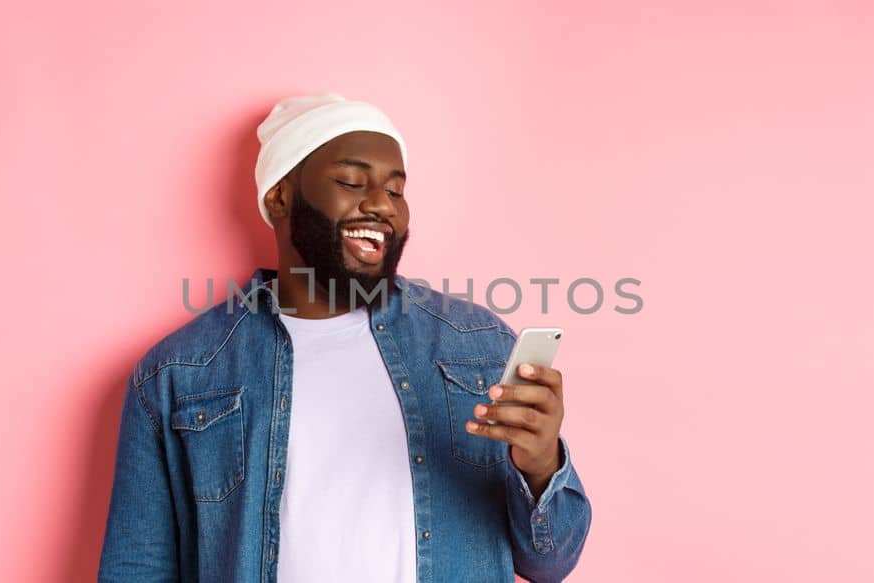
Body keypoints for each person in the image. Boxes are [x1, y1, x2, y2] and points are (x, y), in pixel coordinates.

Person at [98, 92, 591, 582]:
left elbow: (551, 563)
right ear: (280, 196)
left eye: (396, 190)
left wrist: (540, 464)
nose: (381, 204)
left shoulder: (476, 345)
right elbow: (136, 568)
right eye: (351, 181)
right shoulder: (180, 372)